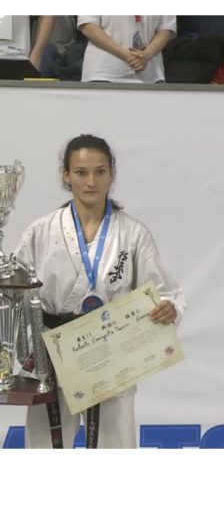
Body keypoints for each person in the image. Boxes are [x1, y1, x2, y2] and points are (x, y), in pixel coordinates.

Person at [15, 134, 186, 448]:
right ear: (66, 176)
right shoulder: (41, 231)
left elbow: (165, 292)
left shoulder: (133, 233)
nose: (91, 181)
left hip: (113, 351)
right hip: (54, 350)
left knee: (114, 447)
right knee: (45, 449)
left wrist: (168, 307)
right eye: (81, 172)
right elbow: (15, 295)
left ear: (112, 174)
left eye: (100, 171)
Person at [77, 16, 176, 83]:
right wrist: (123, 54)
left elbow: (166, 29)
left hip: (150, 75)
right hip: (104, 74)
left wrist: (147, 54)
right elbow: (87, 26)